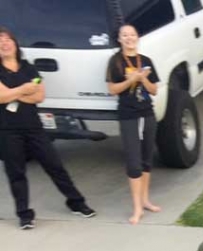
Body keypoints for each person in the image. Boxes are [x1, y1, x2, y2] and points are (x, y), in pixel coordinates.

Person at [0, 26, 96, 230]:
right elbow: (1, 97)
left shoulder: (28, 68)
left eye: (7, 39)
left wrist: (14, 92)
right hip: (7, 130)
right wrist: (25, 90)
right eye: (0, 40)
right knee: (16, 173)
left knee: (55, 166)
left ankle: (77, 203)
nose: (4, 43)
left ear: (15, 43)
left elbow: (39, 96)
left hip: (34, 127)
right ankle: (24, 215)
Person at [106, 23, 160, 225]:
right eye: (125, 35)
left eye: (132, 34)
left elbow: (154, 90)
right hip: (128, 115)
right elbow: (112, 89)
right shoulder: (115, 62)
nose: (129, 38)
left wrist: (142, 79)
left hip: (147, 113)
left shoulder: (146, 61)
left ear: (138, 37)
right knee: (133, 161)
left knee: (147, 158)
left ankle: (145, 200)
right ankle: (137, 207)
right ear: (119, 39)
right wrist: (131, 81)